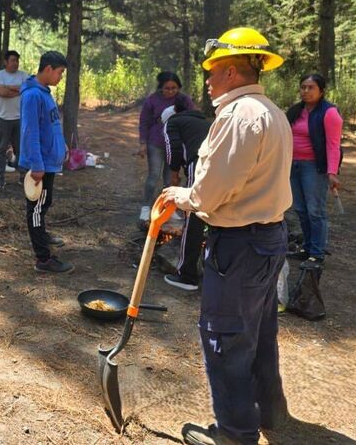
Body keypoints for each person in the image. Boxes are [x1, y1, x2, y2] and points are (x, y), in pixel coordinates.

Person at [159, 27, 292, 445]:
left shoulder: (238, 116)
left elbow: (212, 193)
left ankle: (235, 433)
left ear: (232, 72)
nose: (208, 80)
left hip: (240, 245)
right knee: (258, 331)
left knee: (226, 338)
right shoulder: (272, 111)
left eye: (213, 72)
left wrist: (180, 195)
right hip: (269, 238)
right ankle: (268, 411)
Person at [19, 51, 71, 273]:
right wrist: (37, 165)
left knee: (44, 204)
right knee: (37, 210)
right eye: (60, 73)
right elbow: (30, 133)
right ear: (48, 69)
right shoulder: (32, 96)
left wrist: (62, 147)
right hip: (40, 165)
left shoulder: (44, 93)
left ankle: (43, 236)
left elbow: (50, 127)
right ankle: (43, 258)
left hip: (48, 161)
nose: (60, 77)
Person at [285, 73, 343, 264]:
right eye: (303, 87)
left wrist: (332, 172)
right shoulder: (295, 111)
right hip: (293, 165)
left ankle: (316, 253)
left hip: (314, 167)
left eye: (311, 88)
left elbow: (333, 145)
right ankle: (307, 248)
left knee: (315, 211)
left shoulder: (329, 112)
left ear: (321, 91)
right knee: (300, 209)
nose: (306, 91)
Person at [162, 101, 212, 291]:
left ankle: (187, 275)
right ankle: (212, 273)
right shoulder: (204, 121)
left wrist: (174, 172)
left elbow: (172, 148)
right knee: (212, 214)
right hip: (220, 168)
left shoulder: (170, 123)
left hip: (198, 163)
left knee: (193, 215)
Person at [137, 71, 195, 225]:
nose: (170, 91)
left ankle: (168, 209)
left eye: (174, 88)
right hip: (156, 142)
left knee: (170, 179)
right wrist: (143, 143)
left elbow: (191, 118)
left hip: (175, 144)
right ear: (161, 88)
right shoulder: (153, 100)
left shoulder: (184, 100)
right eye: (167, 88)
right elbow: (144, 121)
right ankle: (146, 207)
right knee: (153, 176)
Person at [0, 50, 27, 190]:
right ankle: (1, 179)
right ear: (6, 62)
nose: (15, 63)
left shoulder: (24, 75)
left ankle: (23, 177)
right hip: (4, 118)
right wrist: (17, 90)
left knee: (21, 149)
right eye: (12, 60)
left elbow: (28, 89)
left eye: (17, 61)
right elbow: (2, 92)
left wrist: (10, 88)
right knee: (1, 150)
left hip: (20, 118)